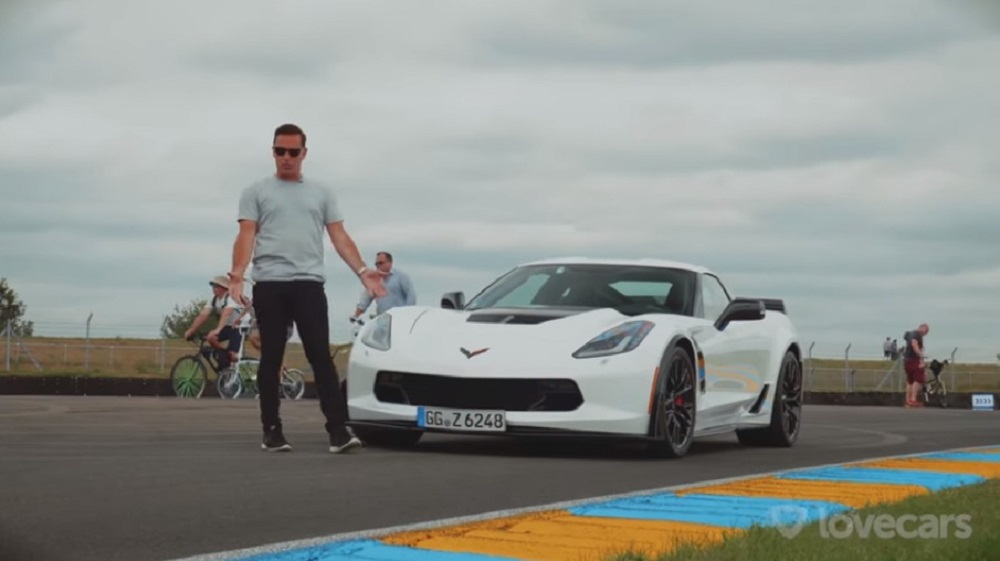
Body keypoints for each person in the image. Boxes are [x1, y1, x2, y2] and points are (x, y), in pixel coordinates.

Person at [227, 123, 387, 454]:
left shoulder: (321, 192)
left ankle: (338, 431)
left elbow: (339, 236)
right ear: (273, 152)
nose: (286, 158)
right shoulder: (256, 191)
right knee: (272, 355)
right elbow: (246, 235)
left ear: (304, 154)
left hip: (309, 284)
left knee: (320, 356)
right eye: (279, 151)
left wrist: (361, 271)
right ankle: (271, 430)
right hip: (270, 283)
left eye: (292, 152)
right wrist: (238, 273)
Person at [183, 275, 245, 370]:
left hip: (240, 326)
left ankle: (231, 357)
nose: (213, 288)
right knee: (210, 337)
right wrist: (191, 330)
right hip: (228, 326)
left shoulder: (231, 297)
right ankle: (225, 357)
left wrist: (218, 329)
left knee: (233, 355)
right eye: (213, 285)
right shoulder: (214, 300)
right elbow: (203, 316)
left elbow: (226, 314)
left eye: (216, 286)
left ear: (224, 288)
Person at [353, 251, 416, 318]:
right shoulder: (374, 280)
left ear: (390, 263)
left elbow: (411, 296)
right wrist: (356, 315)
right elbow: (365, 300)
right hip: (383, 319)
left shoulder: (401, 276)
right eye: (376, 264)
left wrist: (408, 314)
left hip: (400, 318)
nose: (378, 266)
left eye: (380, 263)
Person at [902, 323, 930, 408]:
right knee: (918, 379)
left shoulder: (910, 334)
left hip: (907, 359)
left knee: (910, 381)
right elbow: (915, 345)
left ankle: (908, 401)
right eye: (926, 331)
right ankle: (913, 399)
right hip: (914, 359)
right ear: (922, 328)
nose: (925, 334)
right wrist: (921, 355)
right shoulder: (916, 334)